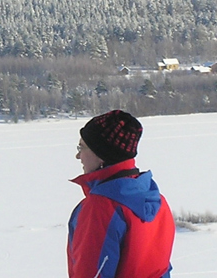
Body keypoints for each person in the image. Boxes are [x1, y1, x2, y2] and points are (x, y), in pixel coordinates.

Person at [68, 110, 174, 278]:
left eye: (82, 147)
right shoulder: (157, 199)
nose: (78, 156)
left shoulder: (101, 207)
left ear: (101, 155)